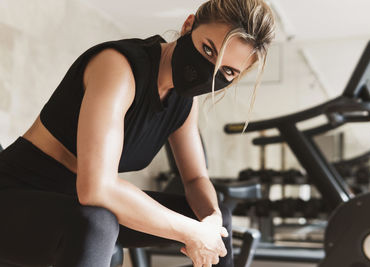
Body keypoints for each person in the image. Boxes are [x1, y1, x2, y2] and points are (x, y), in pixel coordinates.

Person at [0, 0, 275, 266]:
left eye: (226, 71)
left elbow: (195, 178)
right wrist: (190, 232)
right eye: (208, 50)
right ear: (188, 25)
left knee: (218, 219)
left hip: (72, 205)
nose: (208, 74)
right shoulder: (118, 67)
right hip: (15, 198)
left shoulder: (184, 103)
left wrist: (211, 221)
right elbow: (97, 188)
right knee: (97, 222)